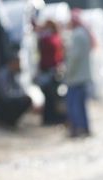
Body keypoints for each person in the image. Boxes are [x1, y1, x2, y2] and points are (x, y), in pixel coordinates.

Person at [63, 9, 94, 137]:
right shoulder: (84, 34)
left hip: (75, 78)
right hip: (84, 77)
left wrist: (67, 73)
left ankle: (76, 129)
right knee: (82, 106)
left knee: (74, 105)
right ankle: (85, 128)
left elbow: (73, 58)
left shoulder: (76, 35)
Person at [36, 19, 66, 125]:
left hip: (53, 70)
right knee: (49, 95)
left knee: (53, 96)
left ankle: (52, 117)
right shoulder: (49, 38)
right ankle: (49, 118)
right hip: (47, 70)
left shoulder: (52, 38)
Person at [0, 52, 32, 127]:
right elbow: (5, 95)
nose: (19, 65)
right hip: (0, 106)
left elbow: (20, 89)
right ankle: (4, 120)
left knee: (26, 100)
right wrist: (21, 96)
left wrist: (22, 95)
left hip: (8, 101)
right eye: (18, 63)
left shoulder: (13, 74)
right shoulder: (3, 75)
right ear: (13, 63)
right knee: (21, 101)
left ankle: (10, 121)